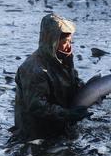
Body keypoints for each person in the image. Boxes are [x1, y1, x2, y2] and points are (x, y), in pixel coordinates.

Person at [12, 13, 90, 141]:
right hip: (35, 136)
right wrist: (68, 114)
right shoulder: (33, 69)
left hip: (59, 129)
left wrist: (90, 91)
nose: (69, 46)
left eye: (70, 41)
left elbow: (72, 83)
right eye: (65, 42)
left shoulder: (62, 59)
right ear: (52, 41)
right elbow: (37, 106)